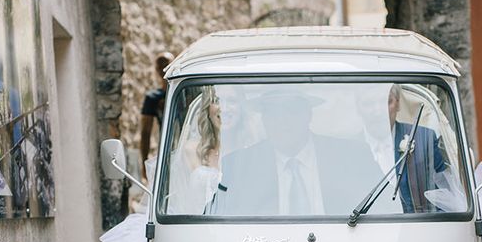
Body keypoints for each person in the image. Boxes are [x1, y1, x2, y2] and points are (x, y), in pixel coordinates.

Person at [219, 89, 381, 217]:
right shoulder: (239, 167)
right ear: (264, 120)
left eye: (291, 111)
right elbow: (224, 226)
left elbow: (381, 210)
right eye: (274, 113)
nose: (283, 121)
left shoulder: (352, 157)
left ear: (308, 115)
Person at [388, 84, 447, 213]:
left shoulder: (424, 138)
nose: (379, 110)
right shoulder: (346, 148)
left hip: (417, 228)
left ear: (397, 104)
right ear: (359, 106)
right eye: (368, 104)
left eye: (388, 102)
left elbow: (445, 194)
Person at [166, 86, 222, 214]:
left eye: (232, 101)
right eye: (217, 100)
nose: (223, 107)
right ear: (207, 109)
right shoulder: (191, 150)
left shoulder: (251, 151)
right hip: (194, 227)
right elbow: (179, 198)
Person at [140, 51, 174, 176]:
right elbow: (145, 132)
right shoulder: (153, 98)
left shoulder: (186, 92)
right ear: (156, 69)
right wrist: (144, 161)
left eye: (166, 63)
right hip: (166, 150)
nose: (163, 68)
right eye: (160, 65)